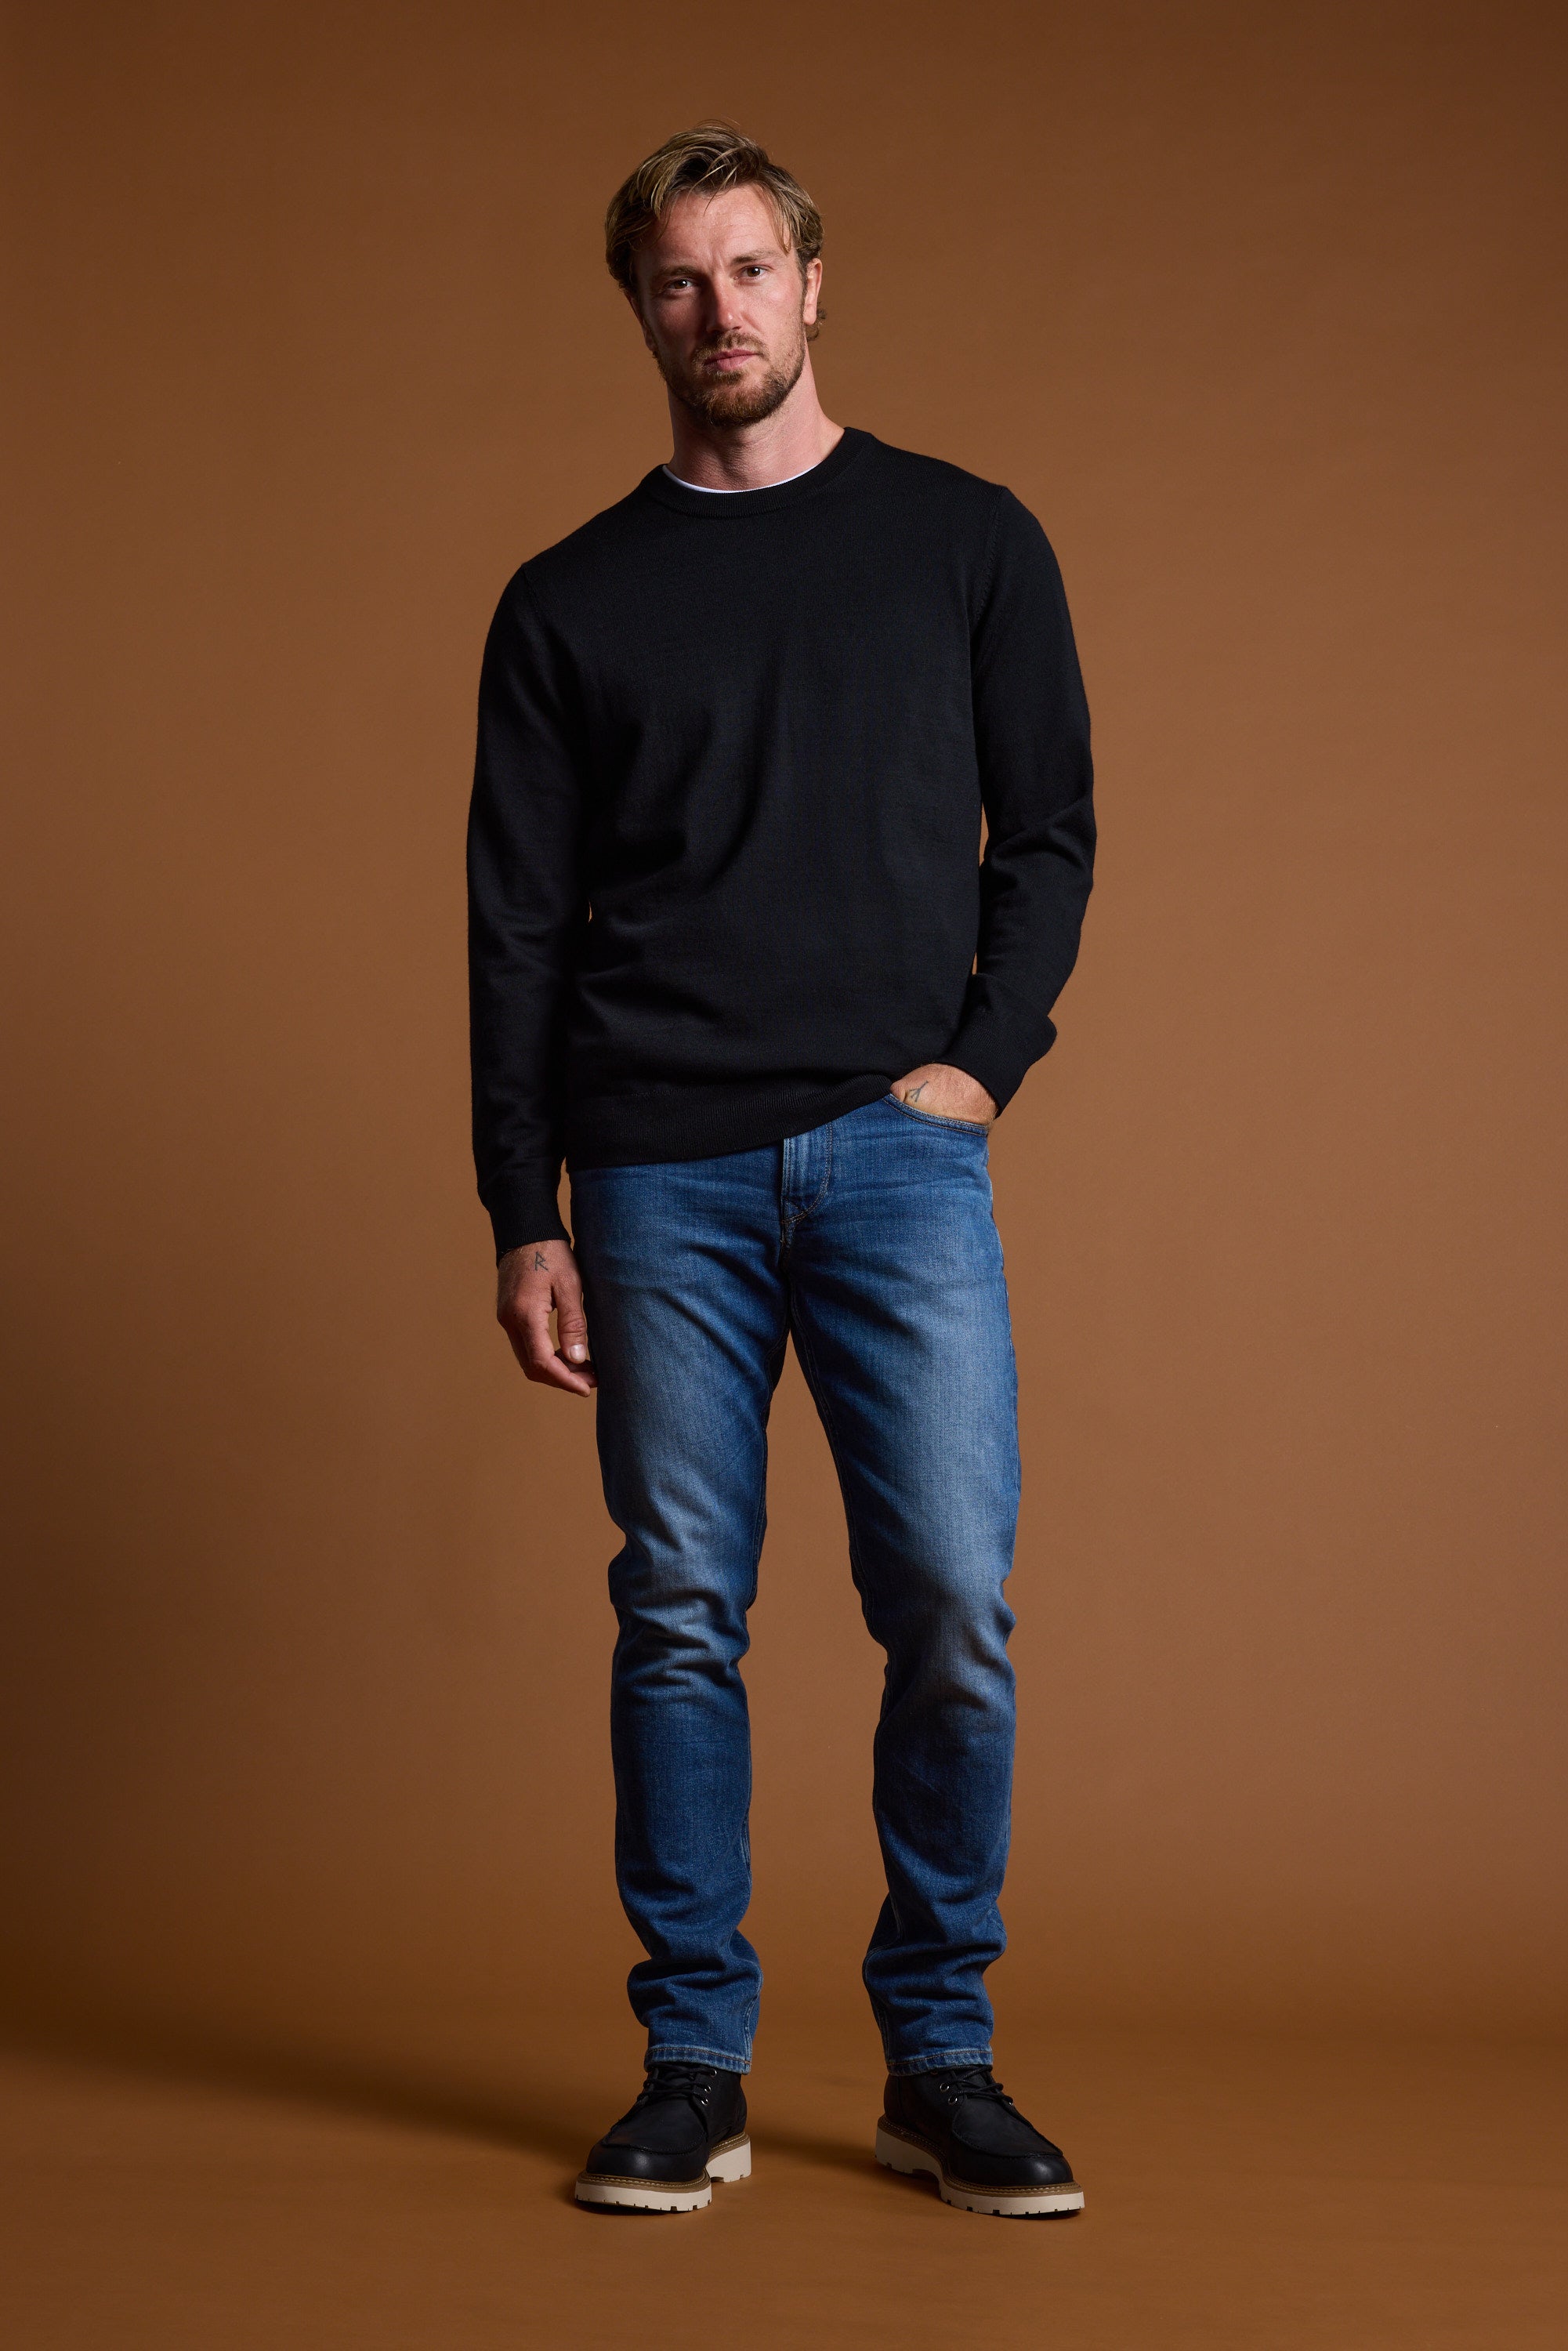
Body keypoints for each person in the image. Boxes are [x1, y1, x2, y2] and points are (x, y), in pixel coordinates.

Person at [467, 121, 1094, 2219]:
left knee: (946, 1603)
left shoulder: (964, 539)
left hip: (894, 1157)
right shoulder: (569, 599)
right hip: (654, 1171)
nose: (715, 310)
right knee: (676, 1614)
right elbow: (516, 922)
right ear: (636, 306)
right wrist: (521, 1211)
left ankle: (939, 2055)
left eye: (749, 269)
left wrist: (979, 1068)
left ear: (813, 287)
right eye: (675, 278)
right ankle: (689, 2063)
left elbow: (1055, 834)